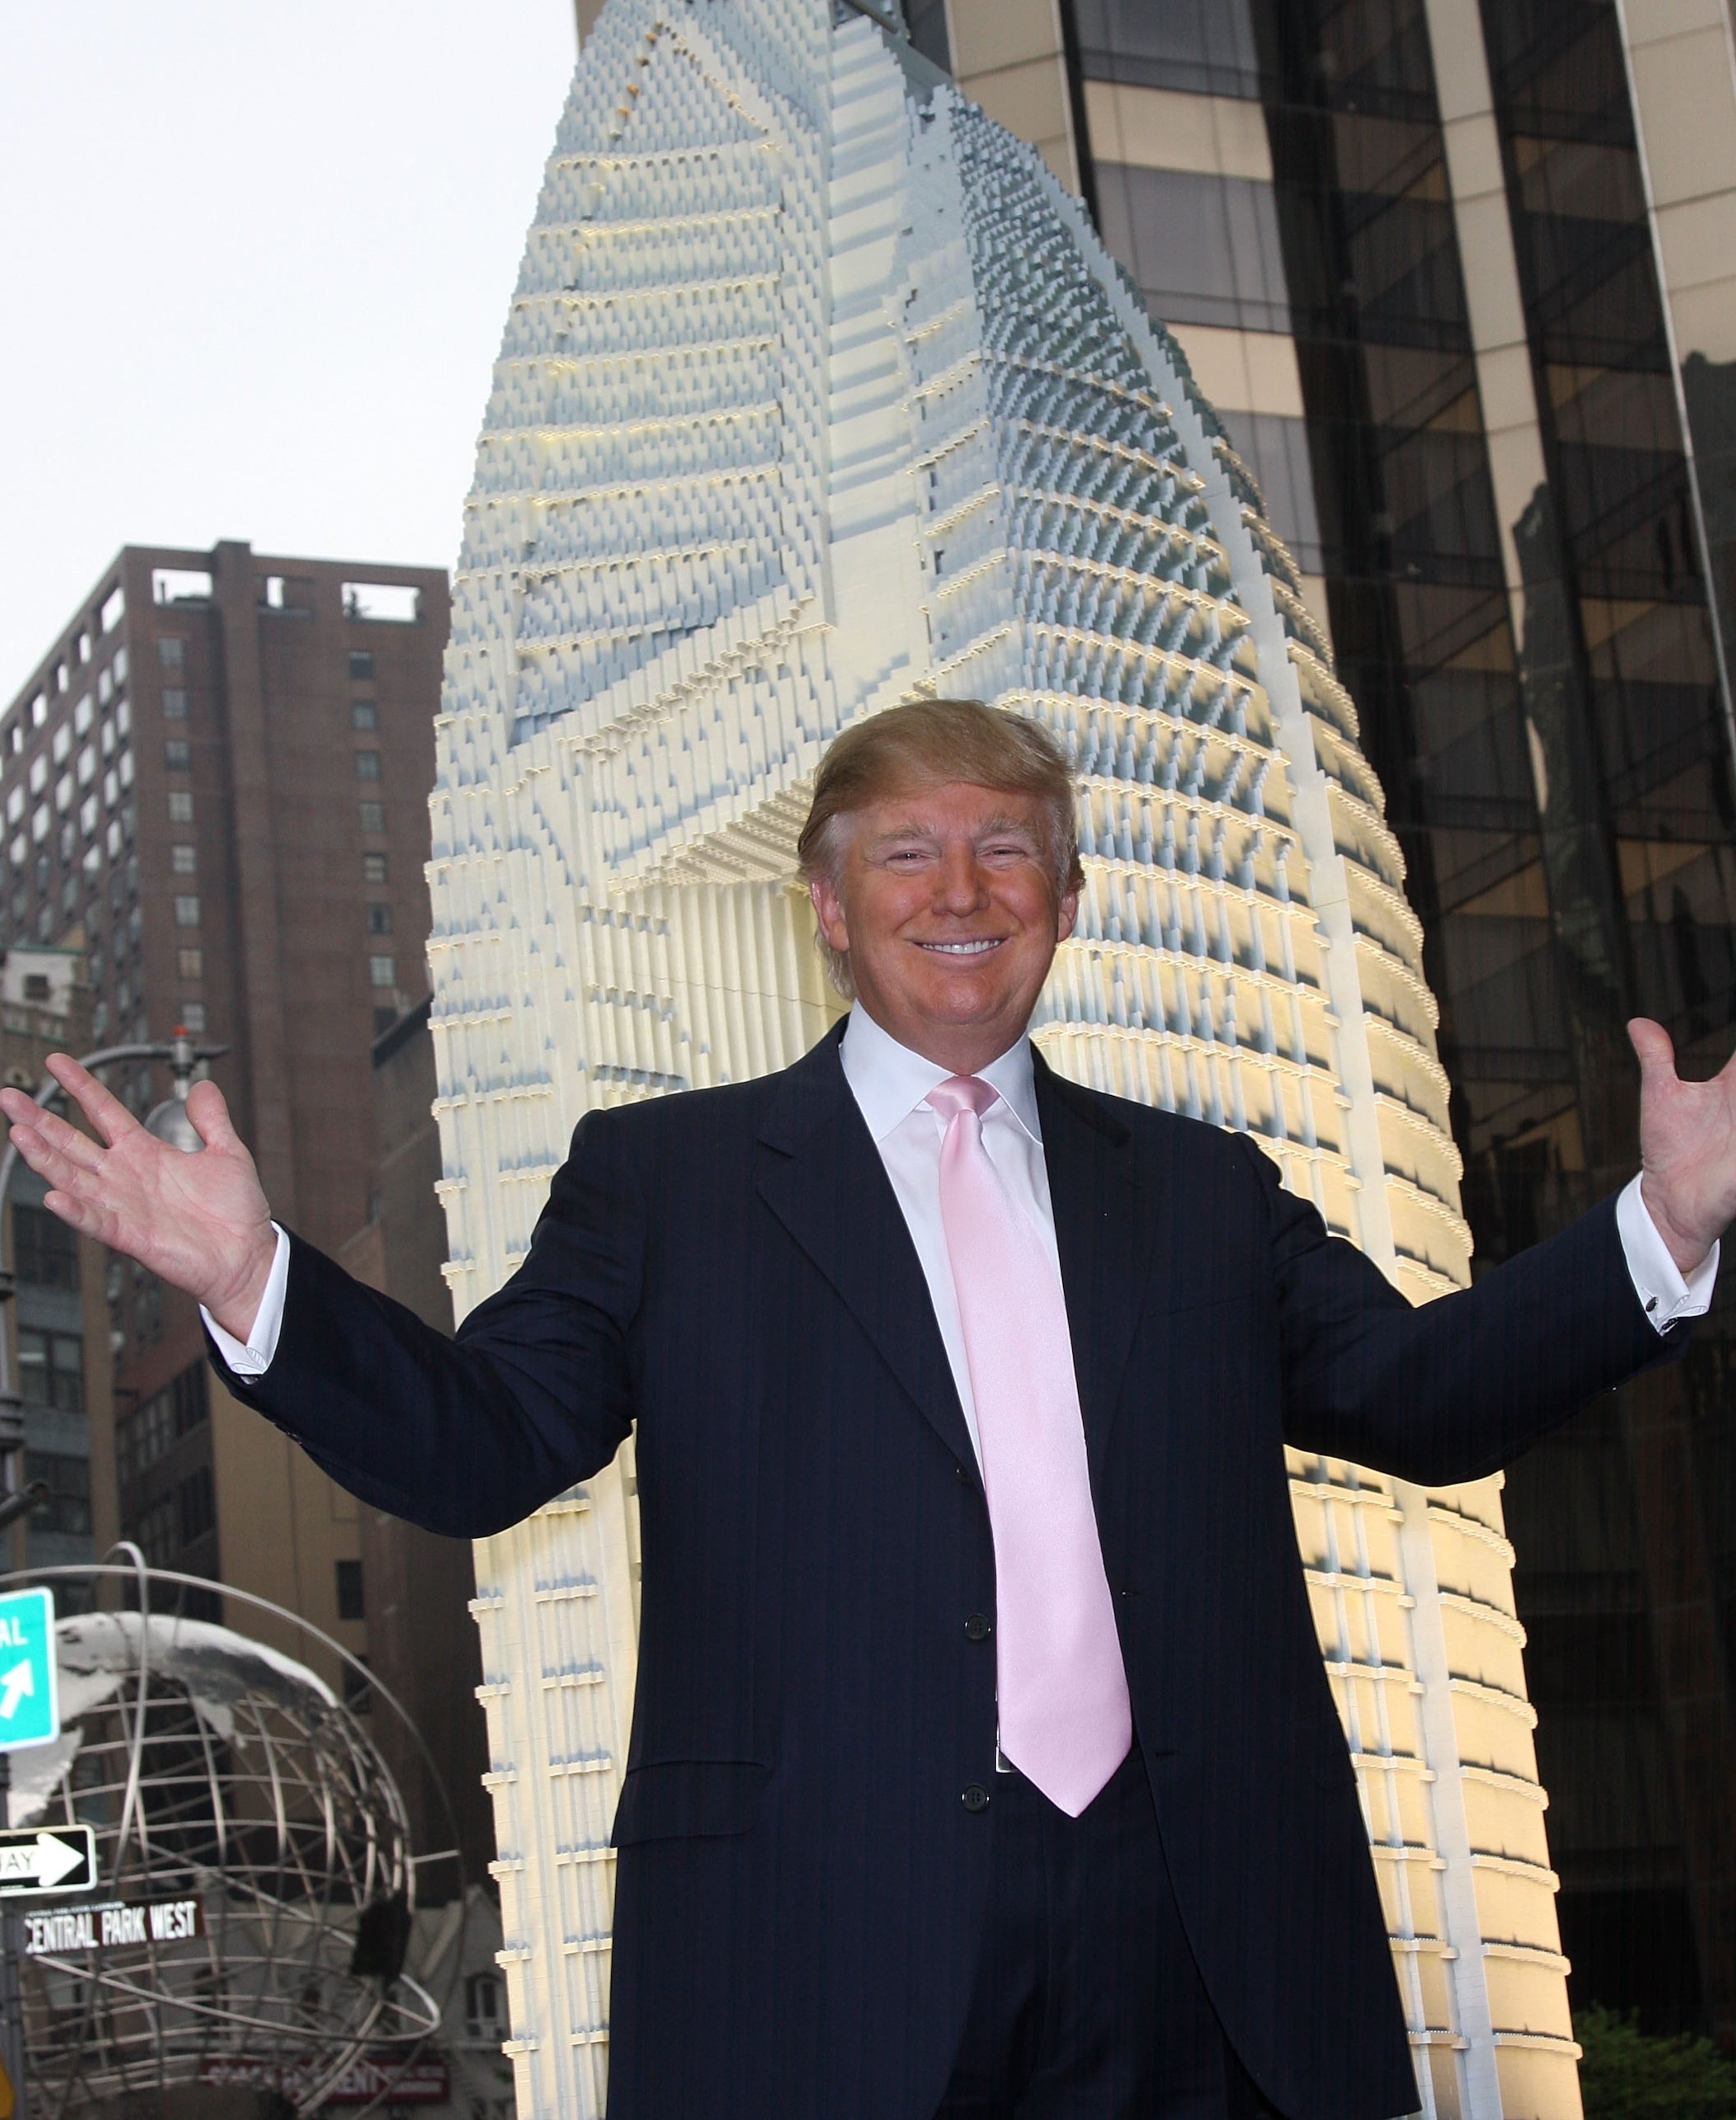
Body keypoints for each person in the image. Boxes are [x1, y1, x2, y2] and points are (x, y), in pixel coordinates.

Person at [5, 701, 1733, 2120]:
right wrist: (257, 1280)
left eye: (1007, 850)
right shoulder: (663, 1182)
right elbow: (485, 1443)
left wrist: (1662, 1226)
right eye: (907, 849)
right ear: (828, 905)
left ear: (1065, 897)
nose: (959, 886)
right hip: (817, 1948)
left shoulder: (1203, 1190)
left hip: (1208, 1938)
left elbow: (1422, 1393)